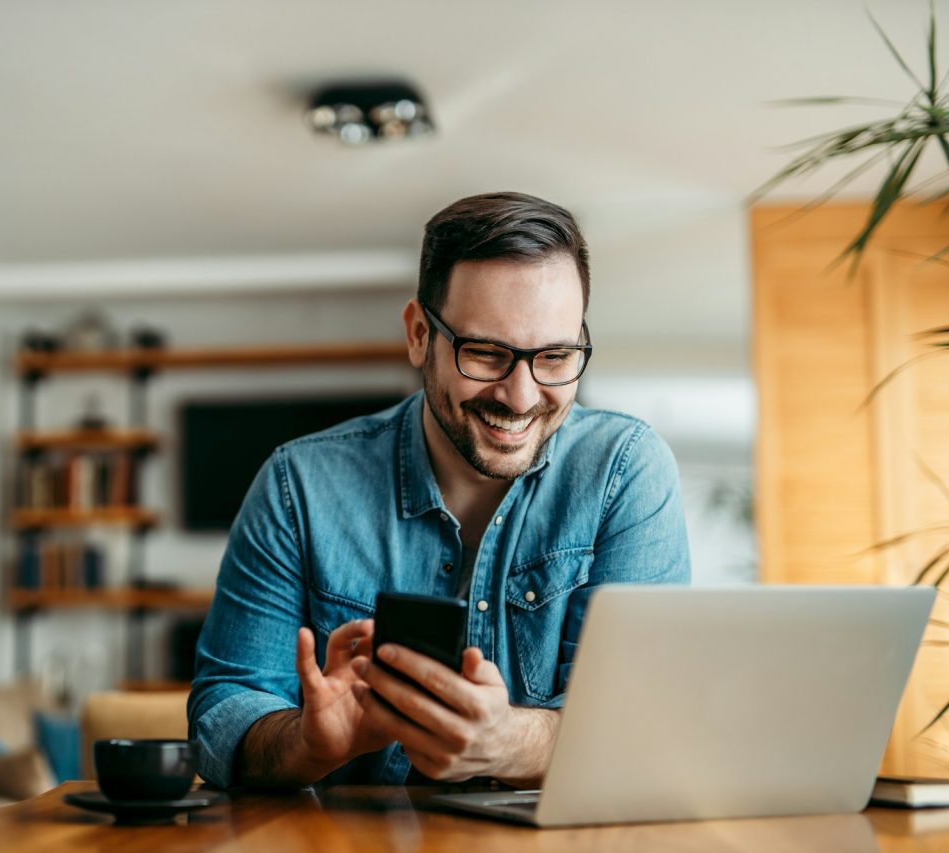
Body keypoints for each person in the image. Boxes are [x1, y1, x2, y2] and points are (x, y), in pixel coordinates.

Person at [187, 191, 690, 789]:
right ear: (420, 334)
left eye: (555, 356)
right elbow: (221, 717)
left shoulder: (625, 470)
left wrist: (509, 743)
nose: (522, 396)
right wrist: (307, 743)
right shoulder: (299, 484)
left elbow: (645, 728)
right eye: (487, 353)